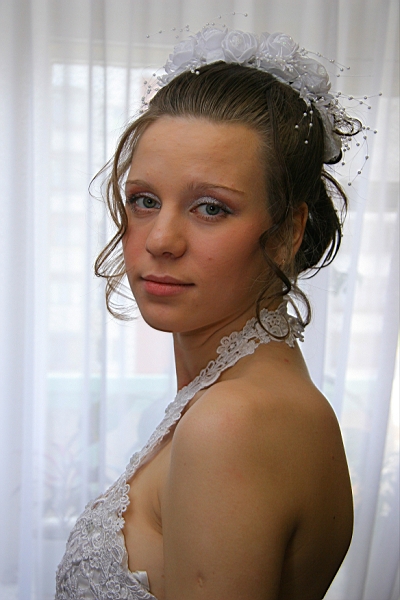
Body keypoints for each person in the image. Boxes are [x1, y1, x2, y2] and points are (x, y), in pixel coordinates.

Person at [55, 26, 360, 600]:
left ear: (288, 231)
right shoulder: (244, 398)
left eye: (210, 208)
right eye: (145, 200)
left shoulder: (233, 421)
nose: (160, 240)